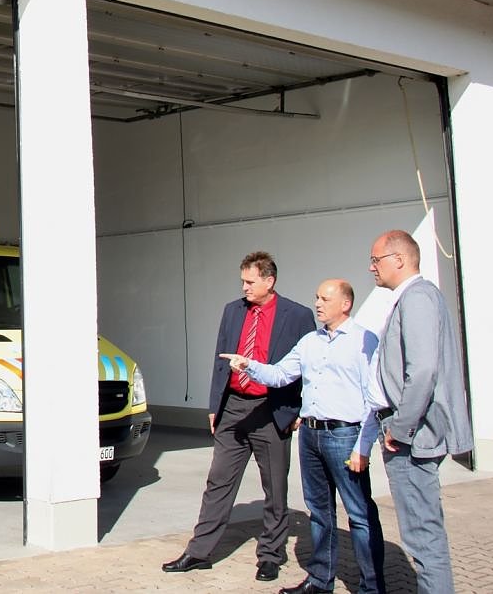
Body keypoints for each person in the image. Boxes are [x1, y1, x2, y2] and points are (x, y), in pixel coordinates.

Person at [222, 280, 385, 594]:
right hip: (310, 435)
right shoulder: (310, 341)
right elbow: (281, 374)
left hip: (344, 435)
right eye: (317, 297)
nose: (318, 304)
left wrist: (363, 446)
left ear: (346, 304)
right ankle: (320, 581)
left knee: (360, 515)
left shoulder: (364, 341)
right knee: (320, 512)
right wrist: (248, 365)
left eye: (325, 299)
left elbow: (373, 398)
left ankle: (372, 587)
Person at [163, 251, 315, 582]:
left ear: (269, 281)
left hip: (271, 410)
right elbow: (220, 361)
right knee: (218, 481)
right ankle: (199, 552)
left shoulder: (297, 316)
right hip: (233, 407)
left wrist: (300, 409)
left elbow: (310, 367)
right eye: (242, 281)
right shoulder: (233, 311)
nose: (244, 287)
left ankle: (271, 555)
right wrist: (215, 406)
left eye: (250, 281)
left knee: (274, 487)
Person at [369, 230, 472, 594]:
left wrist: (400, 428)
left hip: (411, 437)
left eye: (376, 260)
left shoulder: (417, 297)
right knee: (423, 531)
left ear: (399, 259)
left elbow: (423, 370)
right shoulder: (415, 297)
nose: (372, 268)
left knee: (423, 536)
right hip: (410, 432)